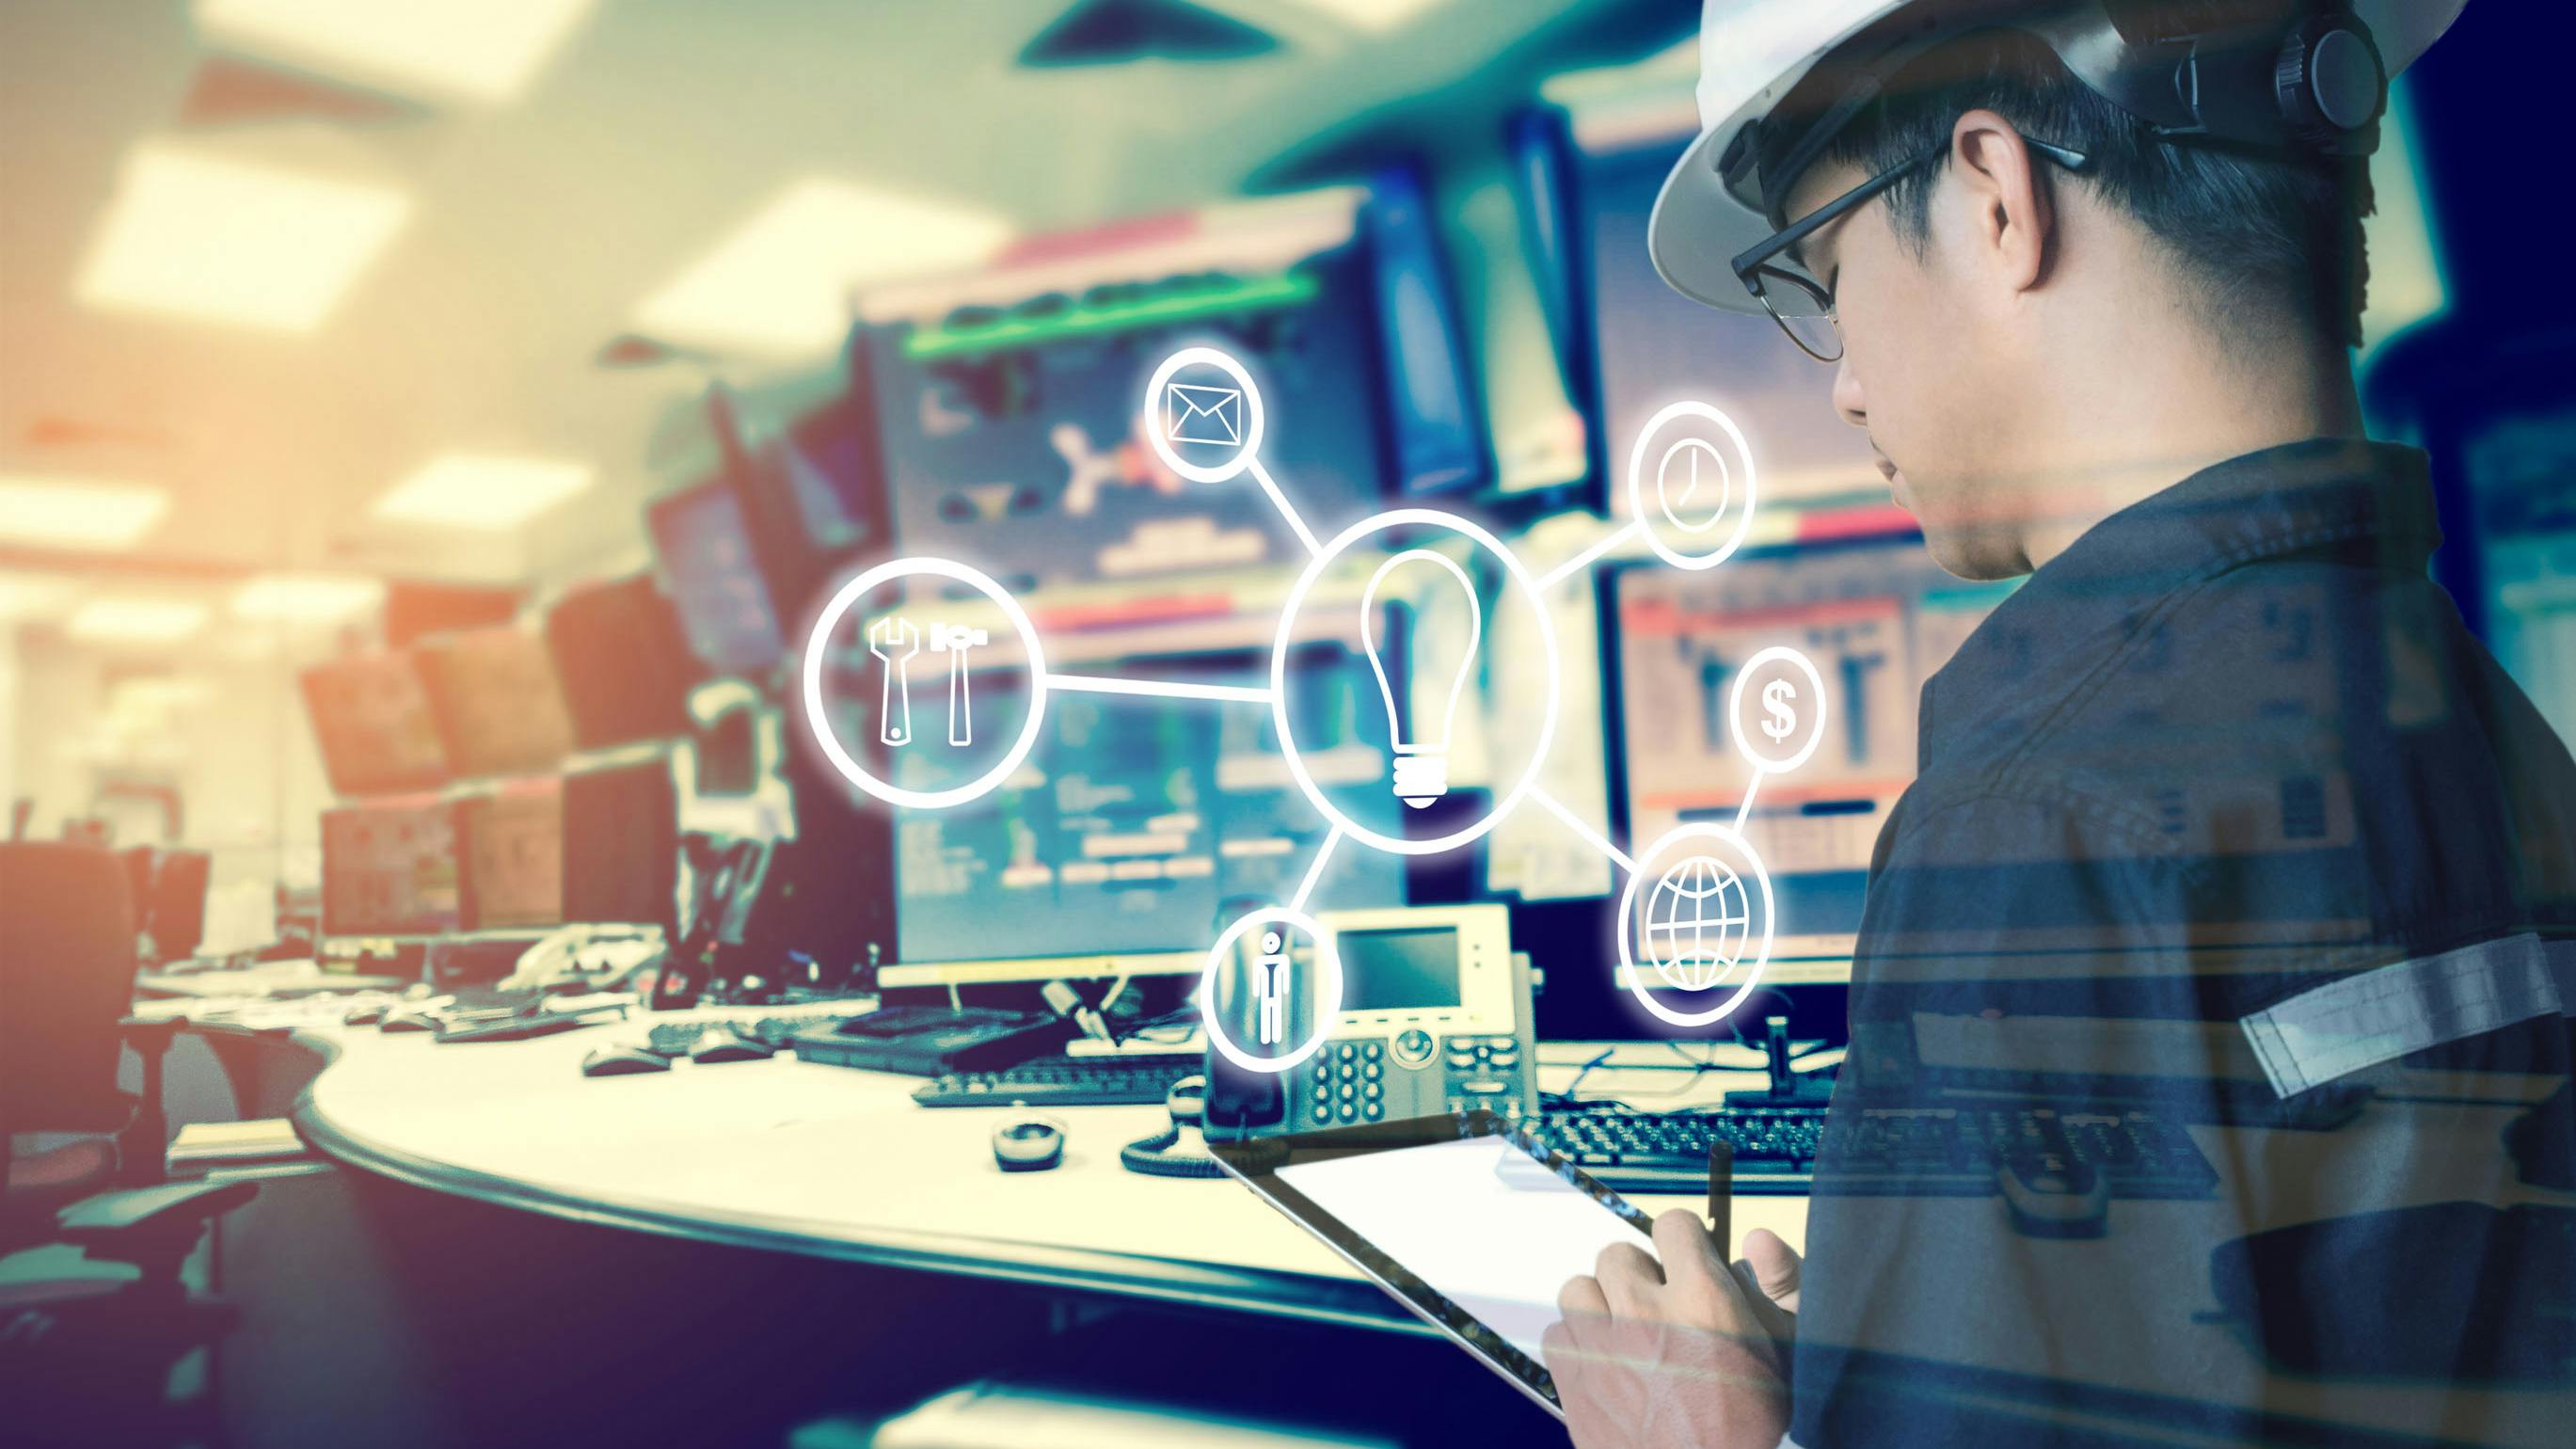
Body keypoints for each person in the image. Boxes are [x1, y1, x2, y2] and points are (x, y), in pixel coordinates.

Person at [1544, 2, 2576, 1445]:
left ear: (1990, 192)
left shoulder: (2038, 822)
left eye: (1828, 280)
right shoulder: (2484, 723)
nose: (1840, 383)